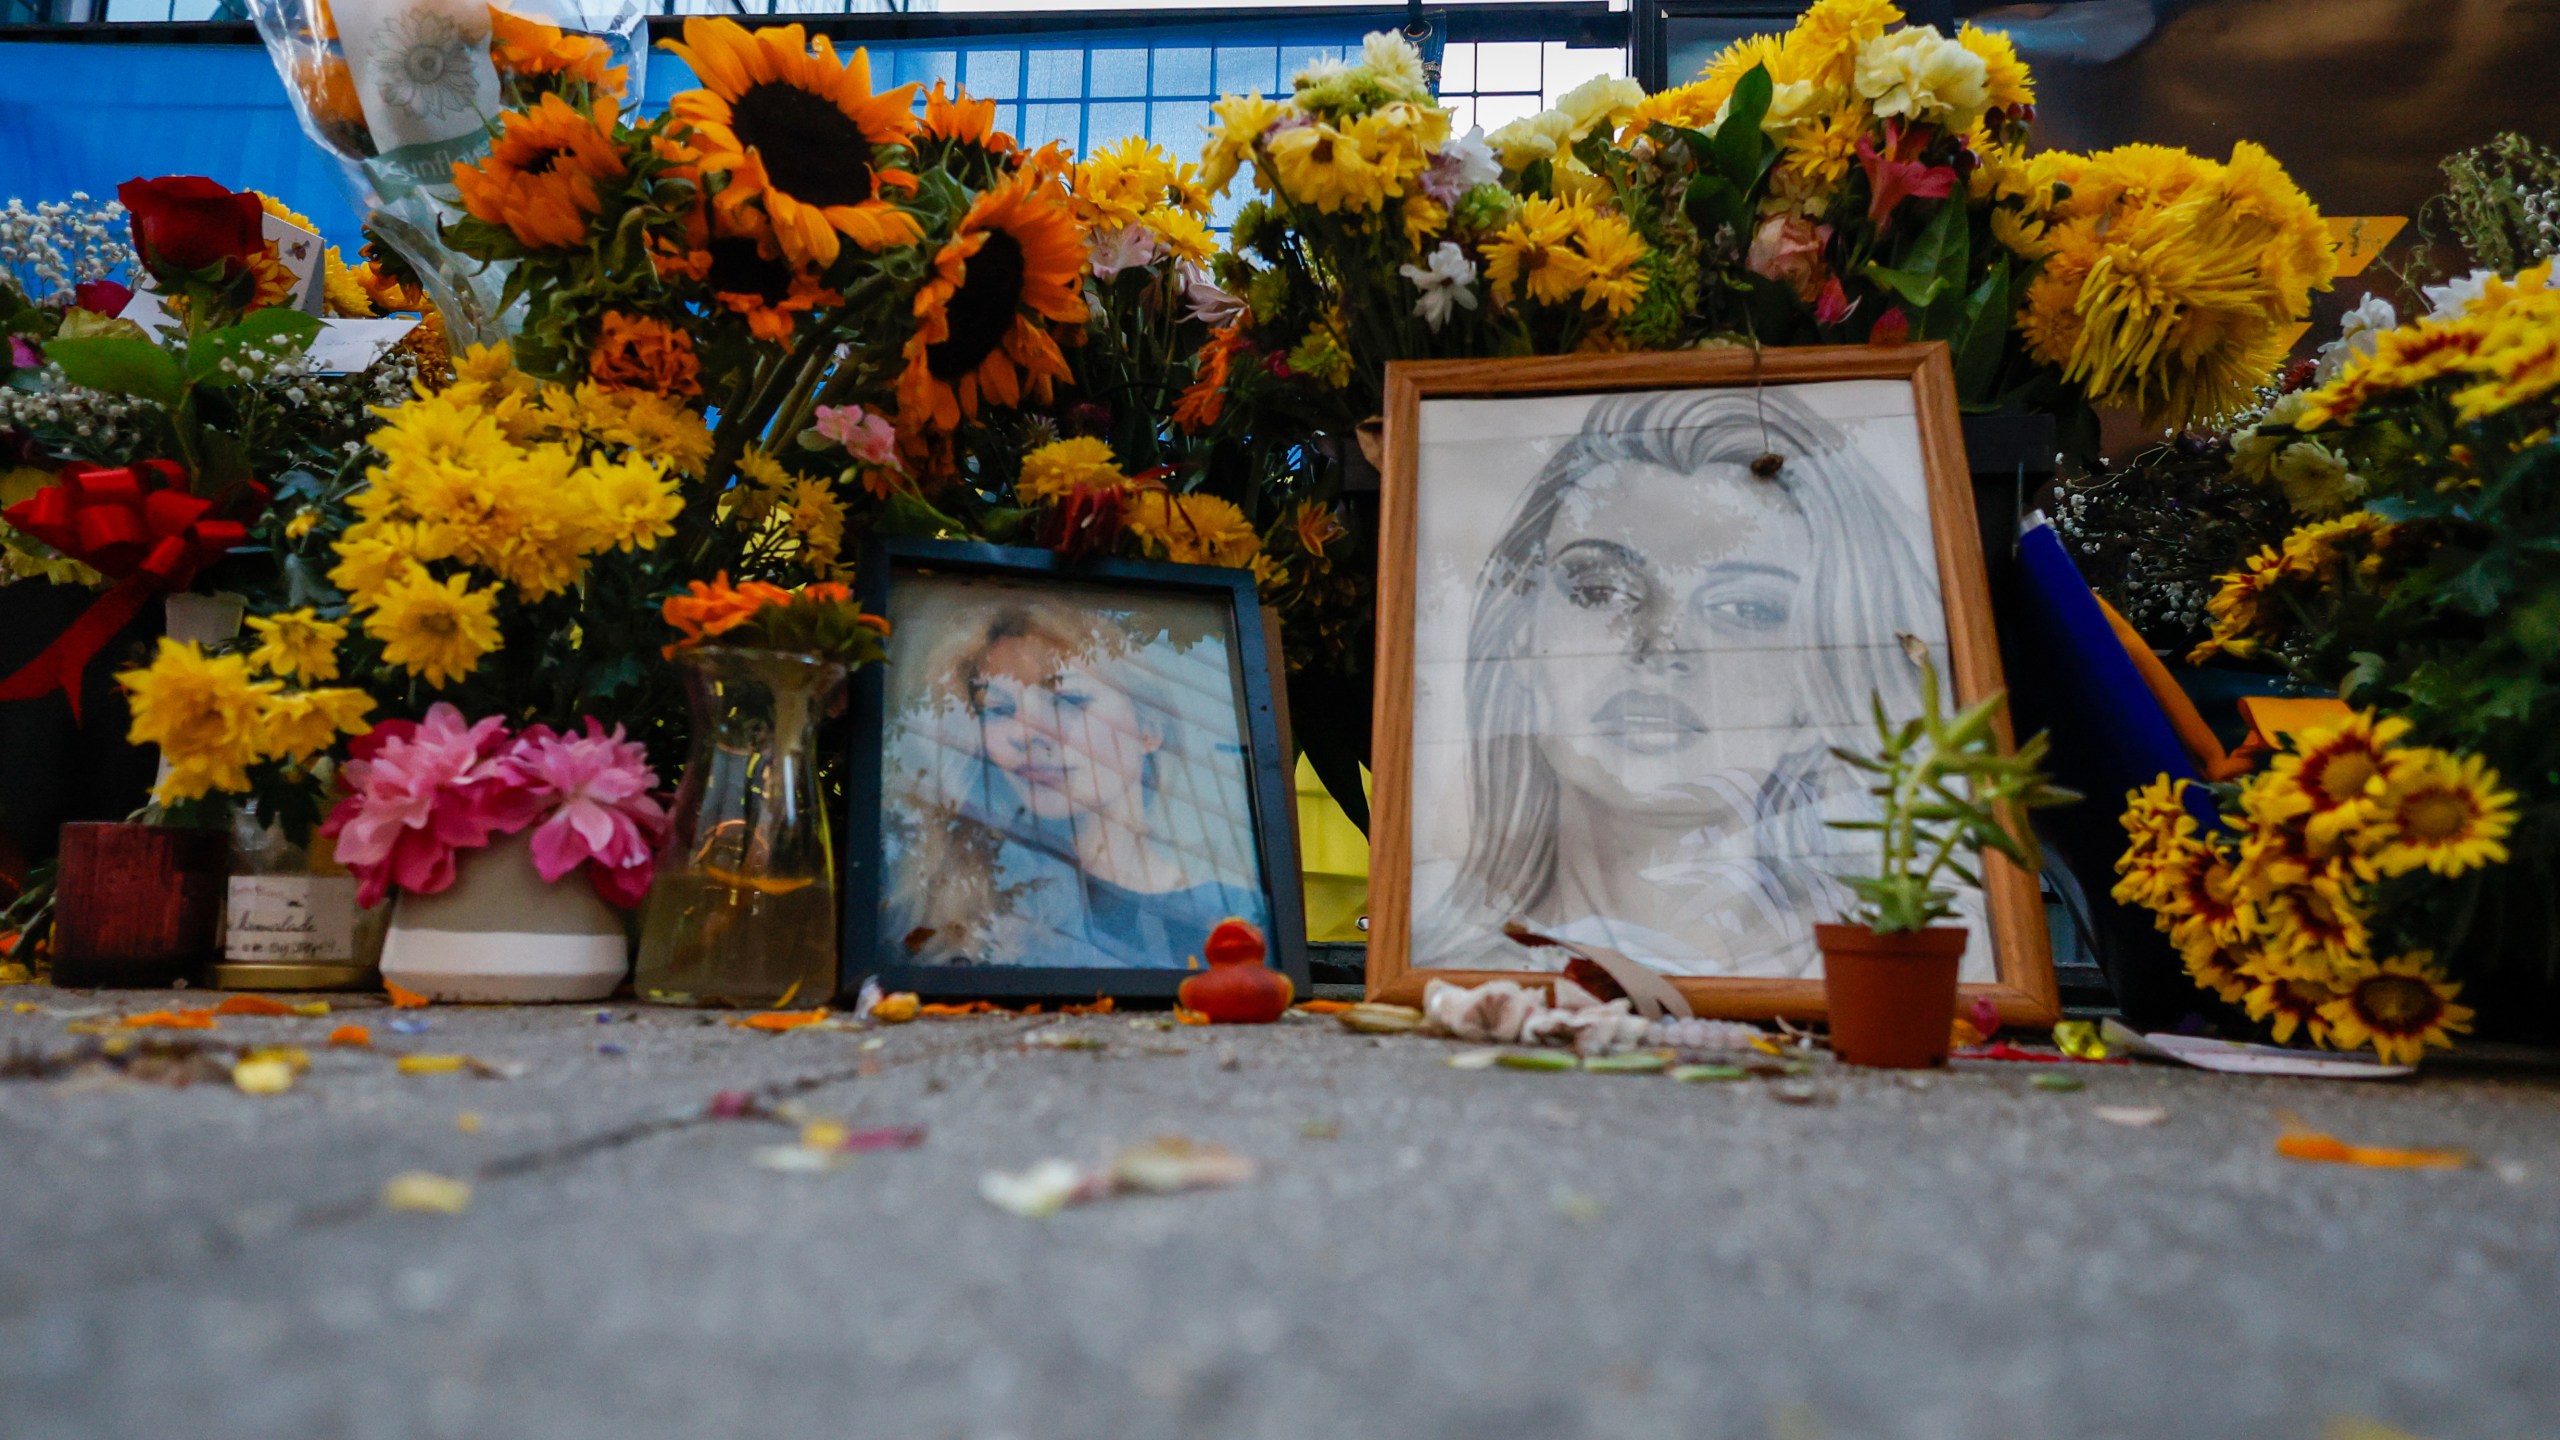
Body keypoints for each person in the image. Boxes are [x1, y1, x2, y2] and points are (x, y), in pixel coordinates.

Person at [1414, 385, 1987, 979]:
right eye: (1599, 588)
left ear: (1817, 684)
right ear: (1519, 645)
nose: (1660, 646)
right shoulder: (1441, 960)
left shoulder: (1912, 973)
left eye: (1746, 609)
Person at [884, 594, 1266, 968]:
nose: (1026, 732)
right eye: (997, 709)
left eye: (1067, 701)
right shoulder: (936, 896)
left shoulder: (1239, 919)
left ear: (1148, 728)